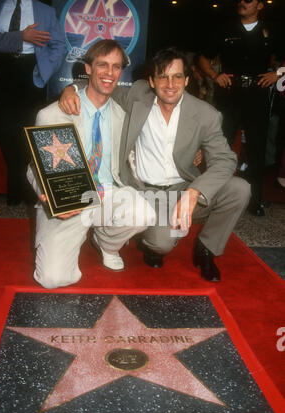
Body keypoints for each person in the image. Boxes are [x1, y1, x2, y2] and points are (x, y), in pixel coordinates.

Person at [59, 46, 251, 282]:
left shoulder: (205, 114)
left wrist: (194, 193)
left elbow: (225, 159)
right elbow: (100, 87)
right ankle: (151, 243)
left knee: (239, 189)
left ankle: (206, 248)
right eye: (163, 76)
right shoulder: (137, 96)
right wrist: (71, 89)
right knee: (160, 245)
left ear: (187, 79)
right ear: (151, 81)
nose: (170, 84)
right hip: (145, 191)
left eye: (177, 76)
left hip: (182, 188)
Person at [27, 39, 156, 289]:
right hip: (70, 200)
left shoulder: (122, 115)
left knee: (144, 212)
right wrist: (47, 192)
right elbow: (33, 166)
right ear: (87, 68)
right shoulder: (53, 114)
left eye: (116, 67)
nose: (110, 73)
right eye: (103, 65)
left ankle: (106, 243)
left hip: (107, 192)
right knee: (52, 279)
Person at [198, 0, 285, 216]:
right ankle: (212, 198)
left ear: (260, 6)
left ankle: (254, 201)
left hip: (257, 94)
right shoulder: (225, 29)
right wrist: (215, 75)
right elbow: (202, 58)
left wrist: (278, 74)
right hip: (229, 94)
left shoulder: (271, 31)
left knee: (256, 149)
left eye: (249, 0)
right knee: (220, 146)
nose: (242, 2)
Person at [0, 0, 66, 206]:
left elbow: (58, 45)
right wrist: (19, 37)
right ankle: (21, 183)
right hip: (1, 72)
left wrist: (45, 71)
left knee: (29, 133)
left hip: (31, 73)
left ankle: (22, 192)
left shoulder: (45, 11)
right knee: (2, 131)